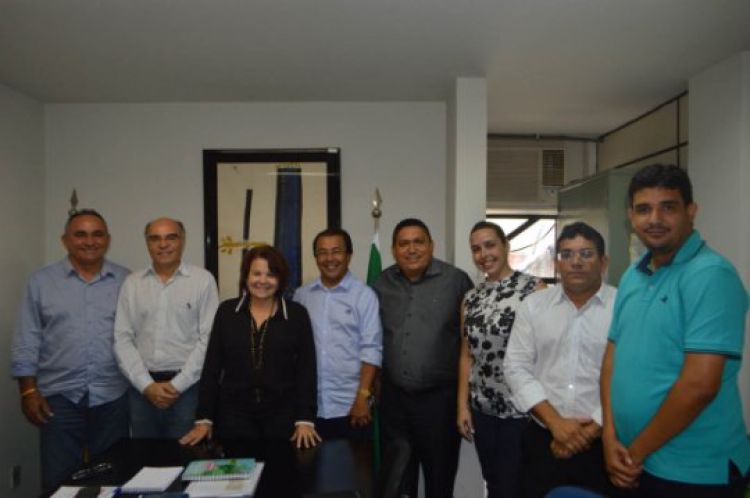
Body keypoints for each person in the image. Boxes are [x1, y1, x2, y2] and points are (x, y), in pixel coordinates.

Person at [601, 164, 750, 497]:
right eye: (643, 209)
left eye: (668, 207)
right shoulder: (632, 276)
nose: (654, 219)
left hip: (693, 472)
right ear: (631, 217)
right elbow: (612, 360)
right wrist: (609, 437)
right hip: (632, 460)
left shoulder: (710, 275)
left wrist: (634, 453)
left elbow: (699, 386)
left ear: (691, 211)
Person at [11, 209, 130, 493]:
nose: (89, 241)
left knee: (111, 478)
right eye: (80, 234)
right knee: (60, 481)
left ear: (107, 239)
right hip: (59, 398)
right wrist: (28, 392)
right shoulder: (41, 282)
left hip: (113, 395)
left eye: (97, 234)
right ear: (65, 240)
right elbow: (27, 338)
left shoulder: (127, 280)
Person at [504, 222, 618, 498]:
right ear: (556, 264)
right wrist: (556, 423)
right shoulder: (534, 306)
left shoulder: (623, 307)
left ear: (603, 263)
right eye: (566, 254)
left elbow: (631, 375)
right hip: (544, 437)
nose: (576, 262)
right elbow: (516, 367)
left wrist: (590, 431)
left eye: (586, 254)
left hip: (606, 439)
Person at [179, 245, 320, 448]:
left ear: (280, 279)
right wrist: (204, 418)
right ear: (246, 276)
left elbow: (307, 369)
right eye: (256, 273)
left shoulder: (297, 315)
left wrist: (305, 418)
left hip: (283, 419)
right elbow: (212, 367)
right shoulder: (227, 312)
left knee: (282, 468)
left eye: (271, 274)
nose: (262, 281)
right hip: (233, 418)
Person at [373, 218, 473, 498]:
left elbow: (469, 343)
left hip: (439, 403)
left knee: (439, 480)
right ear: (394, 250)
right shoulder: (381, 283)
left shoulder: (456, 281)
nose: (411, 249)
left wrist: (464, 402)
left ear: (431, 245)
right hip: (394, 403)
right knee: (398, 483)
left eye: (418, 242)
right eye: (404, 244)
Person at [457, 221, 545, 498]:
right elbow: (466, 354)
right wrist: (462, 406)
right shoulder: (471, 298)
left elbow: (548, 354)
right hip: (483, 410)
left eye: (490, 245)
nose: (484, 254)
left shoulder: (534, 290)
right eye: (476, 249)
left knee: (516, 487)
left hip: (522, 412)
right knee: (494, 483)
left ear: (506, 245)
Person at [114, 217, 219, 438]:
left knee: (186, 454)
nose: (163, 245)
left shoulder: (203, 281)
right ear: (147, 243)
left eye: (171, 237)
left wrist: (177, 385)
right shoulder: (132, 283)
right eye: (155, 239)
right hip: (141, 389)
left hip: (188, 388)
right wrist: (146, 385)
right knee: (144, 455)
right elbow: (122, 338)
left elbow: (209, 339)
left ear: (182, 240)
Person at [293, 228, 382, 439]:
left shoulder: (364, 296)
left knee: (353, 462)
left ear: (349, 255)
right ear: (315, 257)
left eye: (336, 251)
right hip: (310, 410)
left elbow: (371, 349)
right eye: (322, 252)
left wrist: (362, 397)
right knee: (308, 461)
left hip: (351, 408)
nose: (329, 258)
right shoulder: (302, 296)